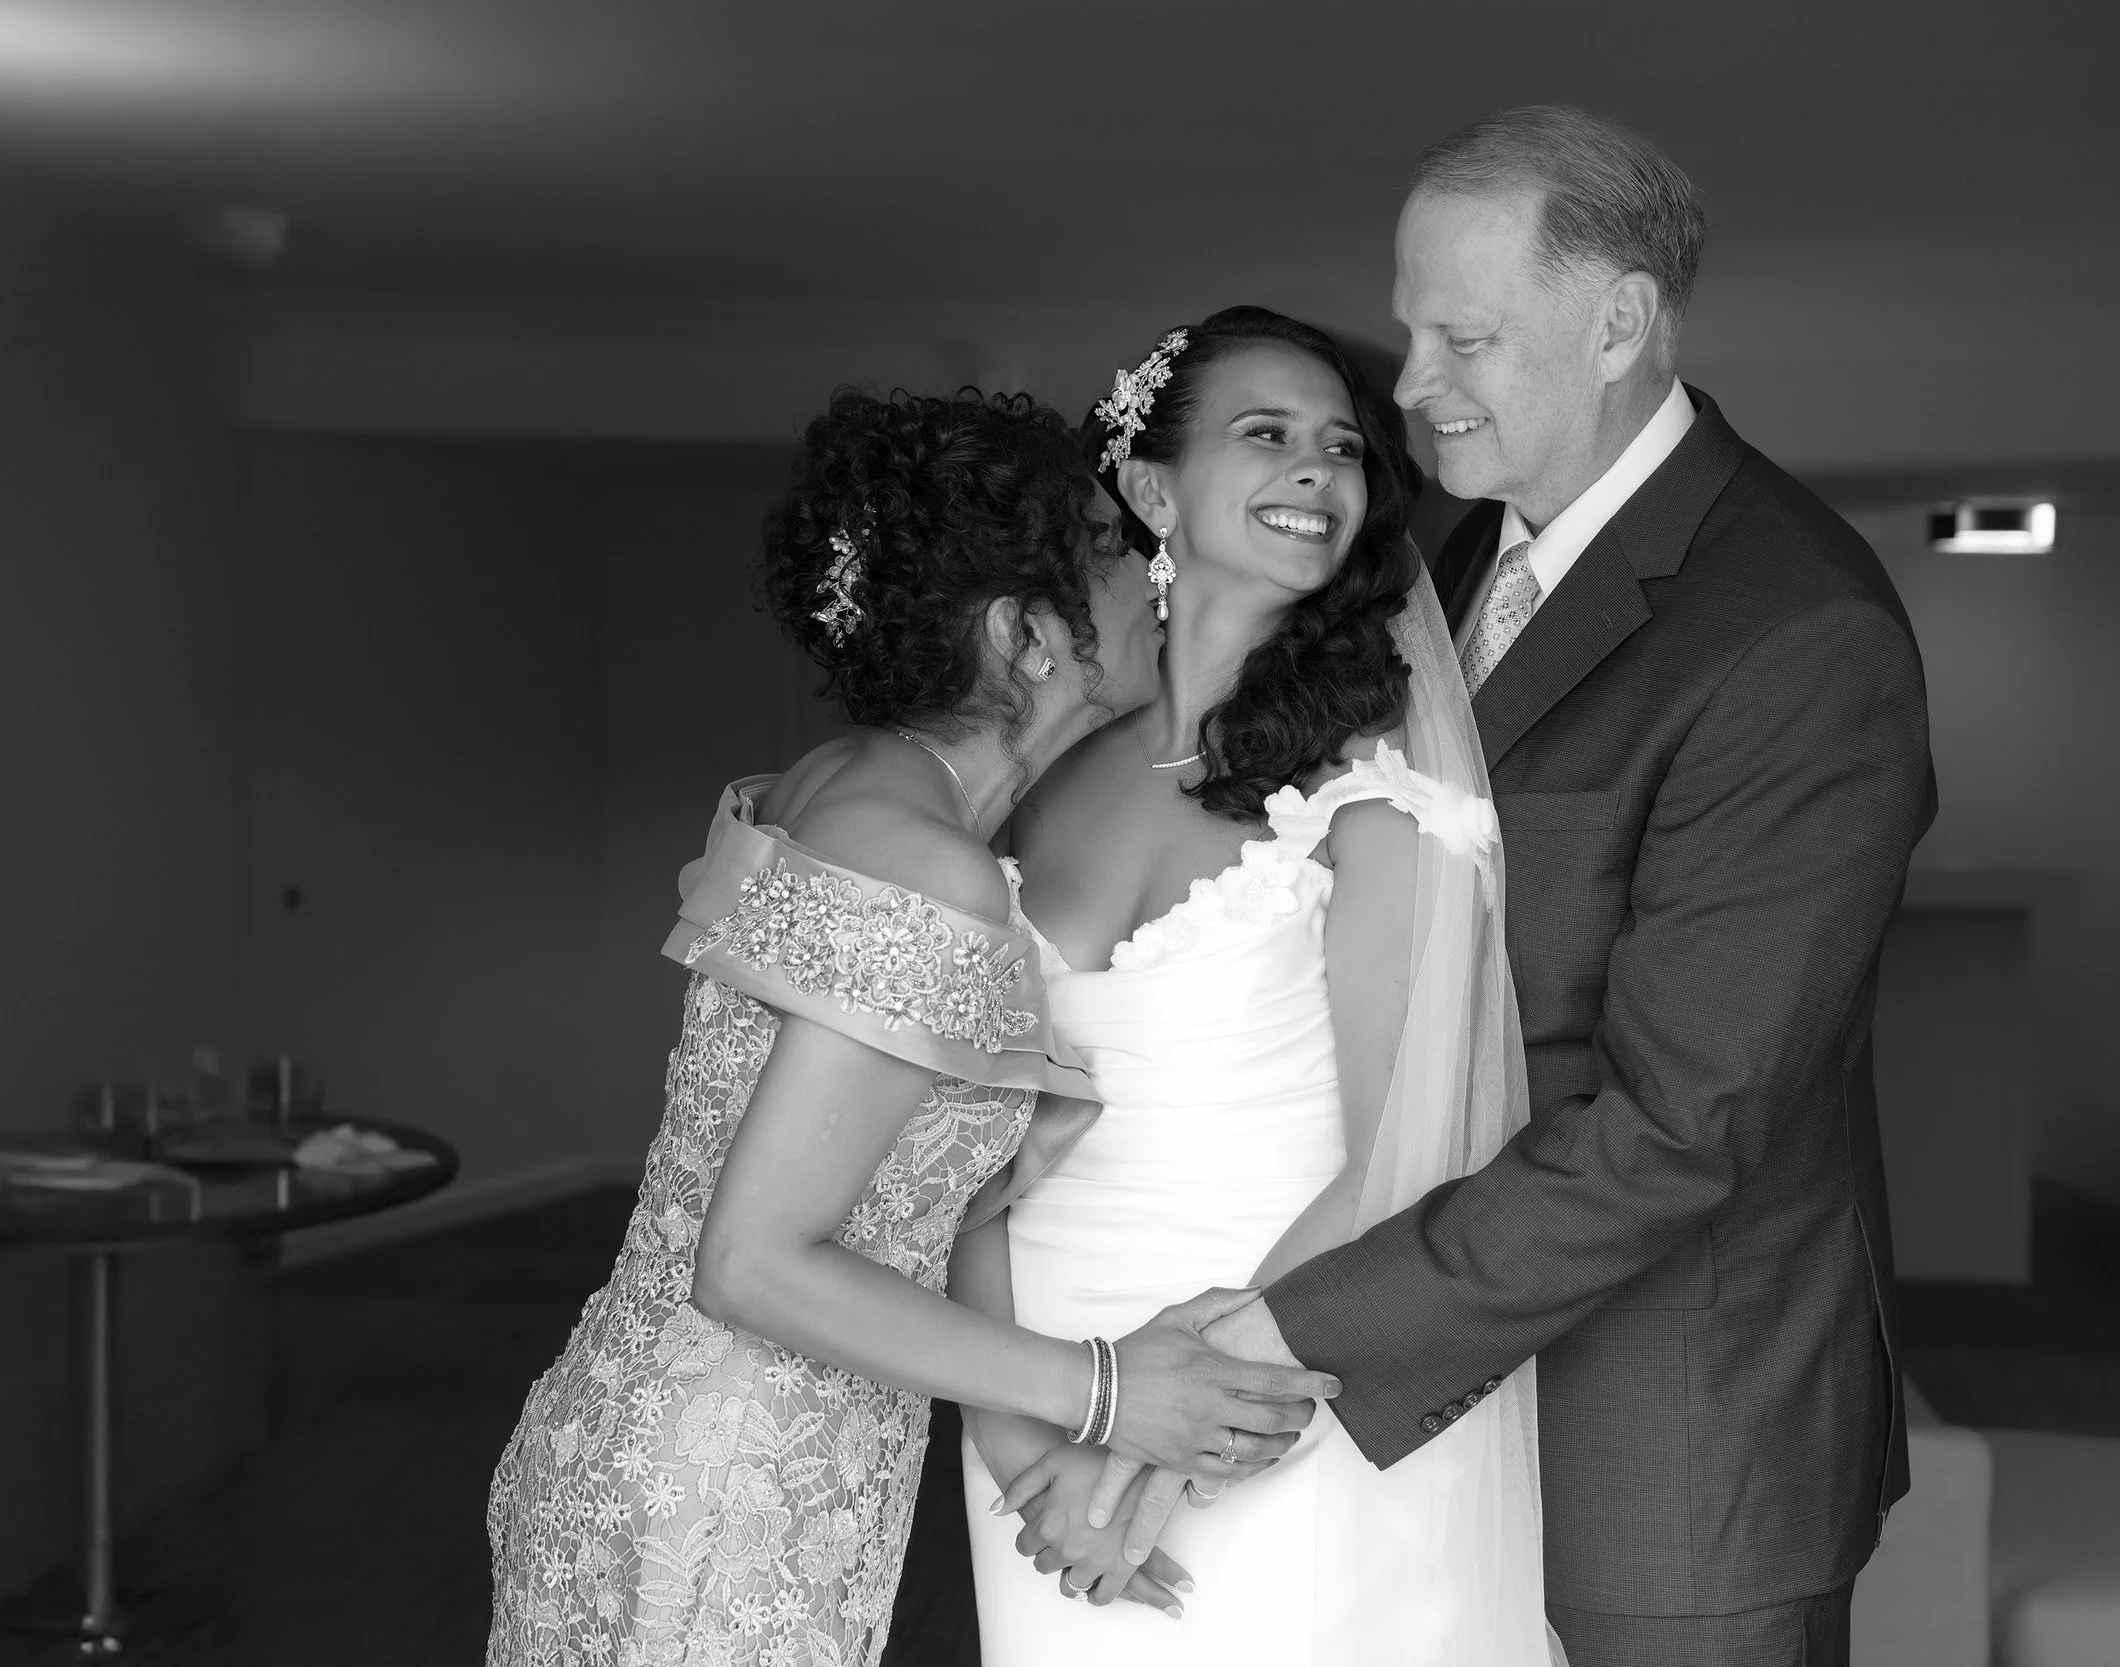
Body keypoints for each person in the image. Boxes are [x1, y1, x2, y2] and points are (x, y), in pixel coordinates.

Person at [1164, 106, 1941, 1667]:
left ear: (1619, 324)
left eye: (1463, 336)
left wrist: (1279, 1329)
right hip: (1439, 1417)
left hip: (1670, 1446)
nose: (1409, 386)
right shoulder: (1448, 559)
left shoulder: (1794, 631)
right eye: (1409, 330)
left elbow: (1676, 1127)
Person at [482, 387, 1340, 1667]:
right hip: (722, 1491)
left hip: (687, 1441)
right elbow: (753, 1263)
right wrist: (1107, 1386)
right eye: (1115, 555)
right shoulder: (921, 862)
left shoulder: (846, 786)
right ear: (1022, 634)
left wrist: (1029, 1441)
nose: (1154, 578)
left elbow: (910, 1193)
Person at [955, 307, 1559, 1666]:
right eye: (1267, 434)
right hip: (1040, 1413)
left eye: (1343, 446)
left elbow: (1404, 1158)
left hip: (1283, 1398)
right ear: (1157, 488)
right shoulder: (1039, 779)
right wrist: (1027, 1451)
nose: (1317, 470)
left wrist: (1171, 1455)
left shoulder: (1376, 797)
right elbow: (959, 1155)